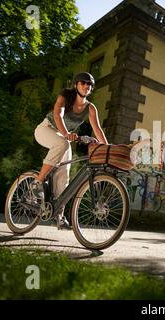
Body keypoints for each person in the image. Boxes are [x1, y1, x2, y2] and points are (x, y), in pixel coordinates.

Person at [31, 72, 108, 230]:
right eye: (83, 82)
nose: (87, 86)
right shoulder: (65, 96)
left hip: (63, 139)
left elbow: (97, 129)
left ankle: (58, 216)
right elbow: (58, 116)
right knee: (63, 144)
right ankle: (37, 183)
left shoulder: (90, 108)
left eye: (90, 84)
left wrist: (107, 149)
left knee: (64, 174)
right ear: (76, 84)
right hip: (46, 129)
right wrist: (66, 134)